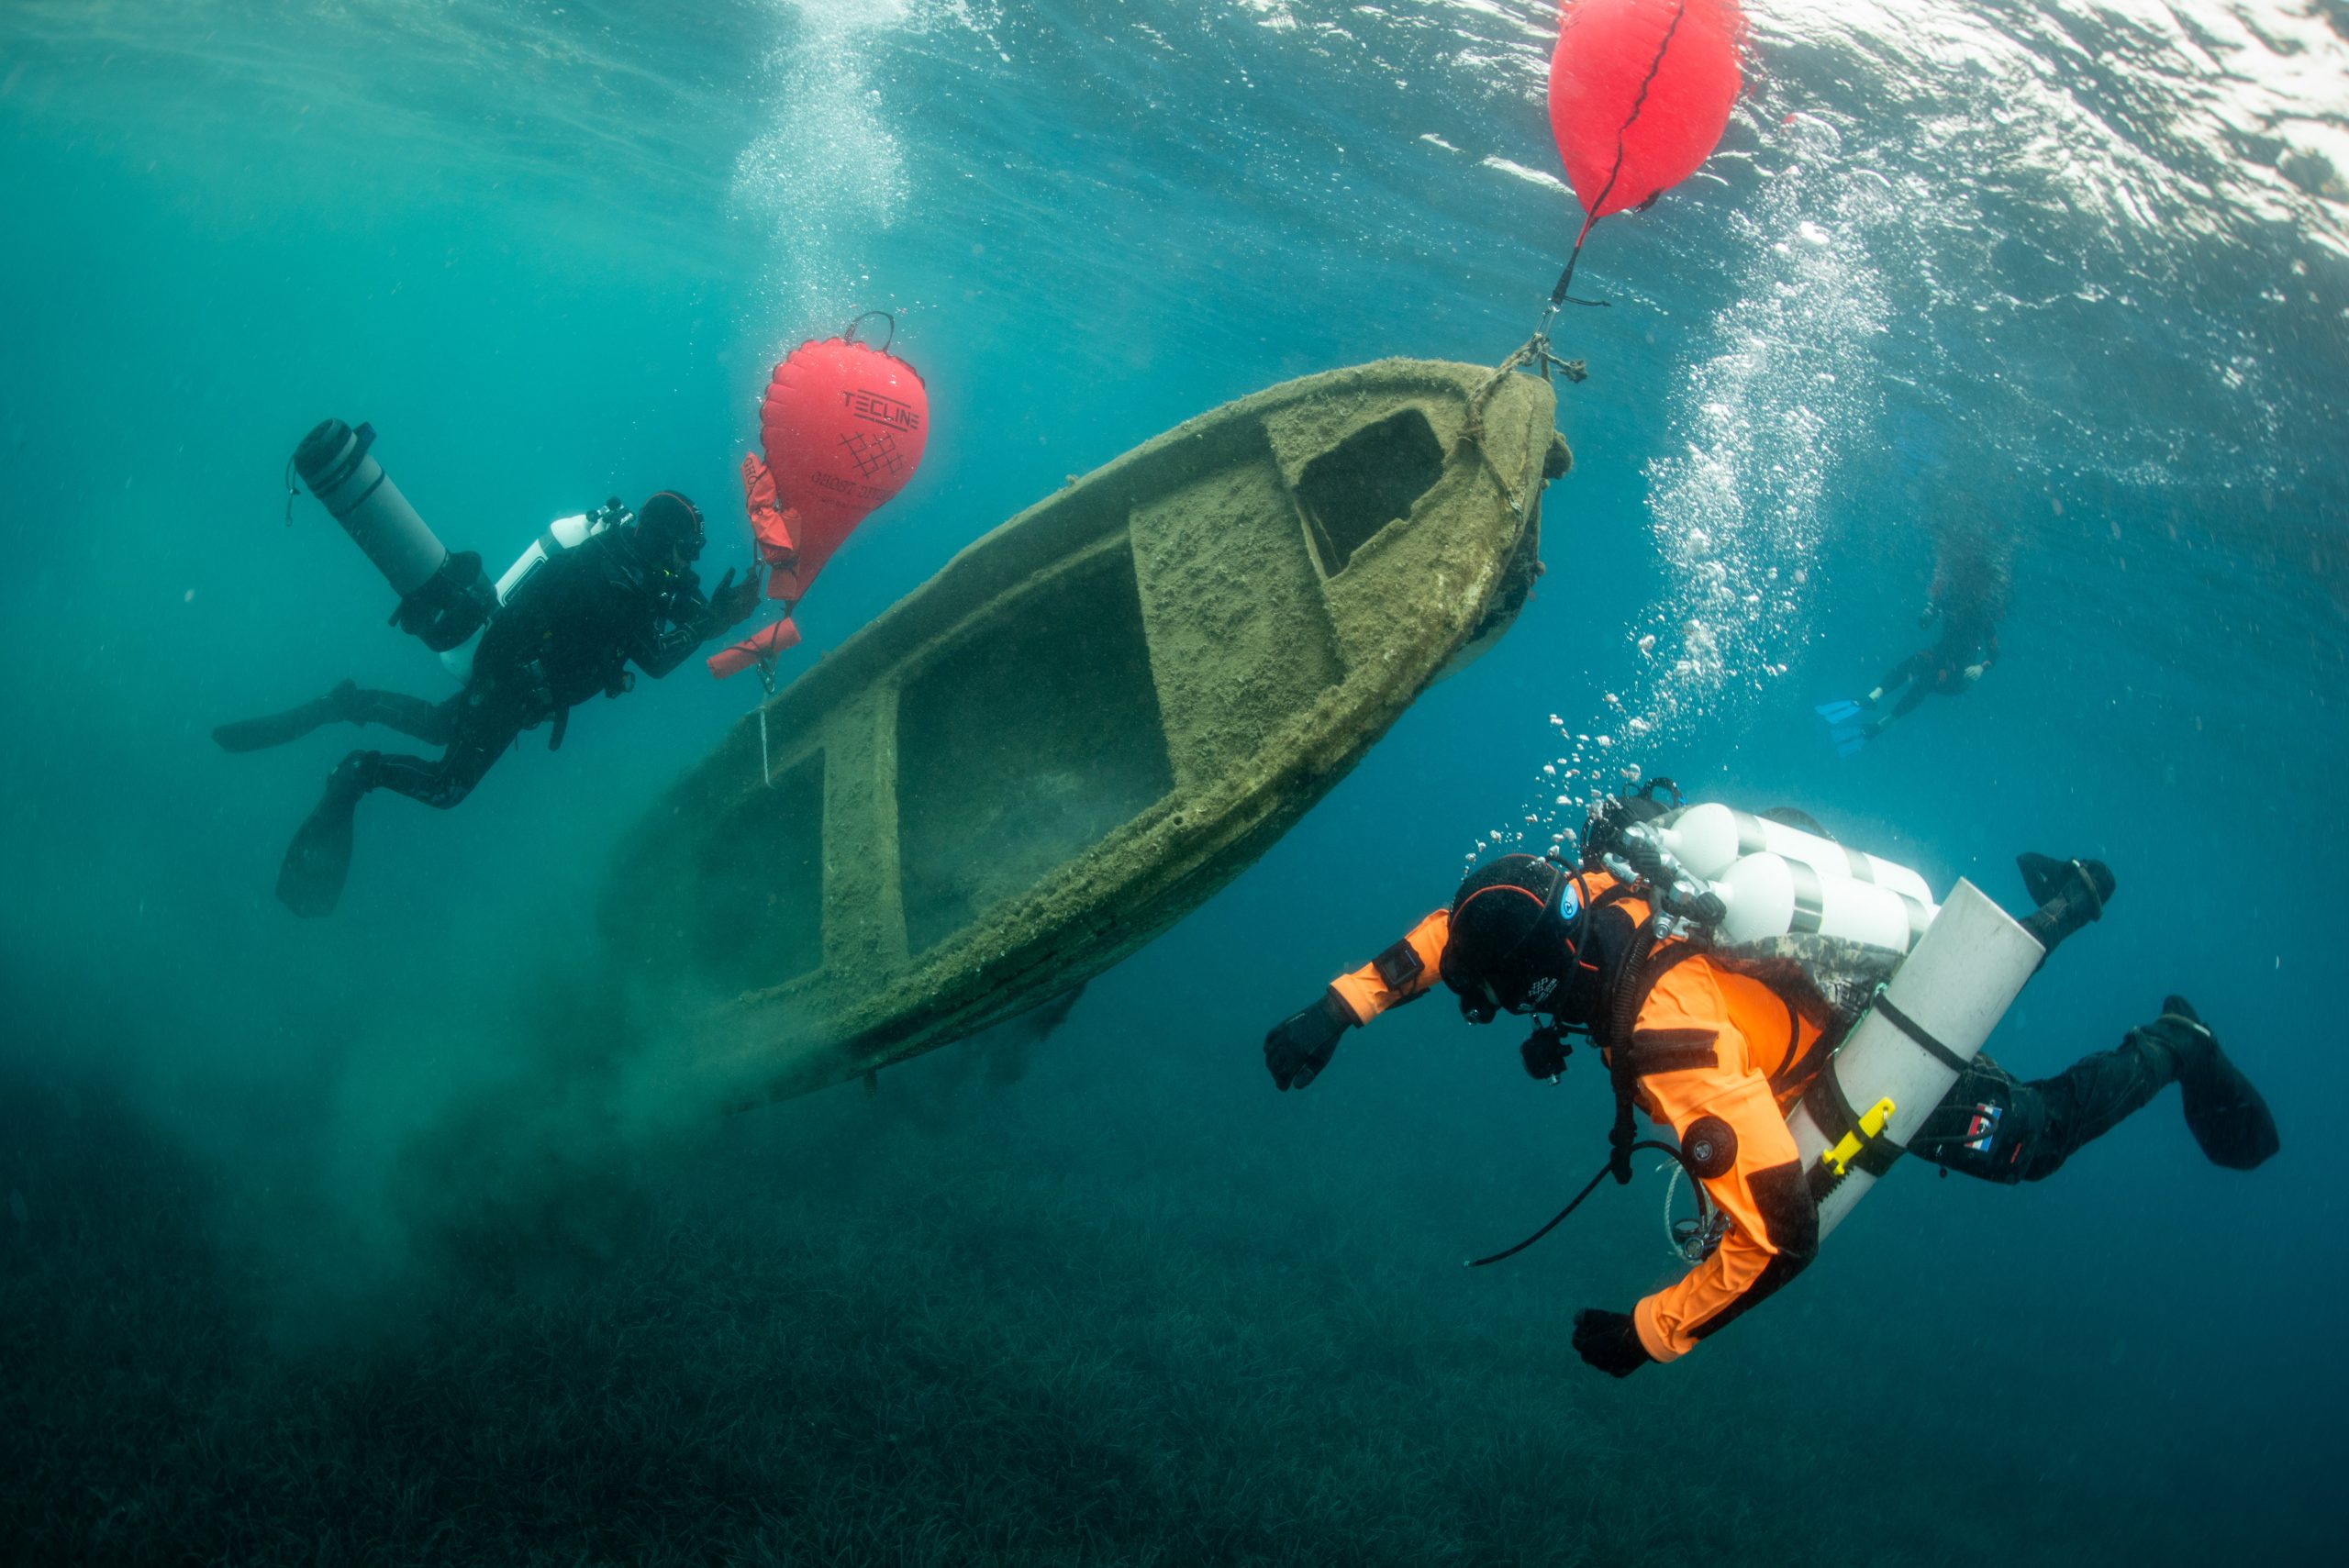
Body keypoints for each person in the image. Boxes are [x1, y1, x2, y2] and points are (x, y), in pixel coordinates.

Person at [1258, 794, 2279, 1379]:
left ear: (1542, 973)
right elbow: (1463, 920)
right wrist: (1340, 1007)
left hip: (1849, 1055)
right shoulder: (1599, 887)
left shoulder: (1668, 1041)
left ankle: (2174, 1039)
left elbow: (1780, 1235)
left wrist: (1648, 1329)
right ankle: (2070, 901)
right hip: (1794, 1001)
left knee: (2028, 1140)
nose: (1497, 1003)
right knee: (2011, 1107)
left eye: (1503, 994)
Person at [215, 492, 763, 916]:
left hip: (513, 675)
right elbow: (659, 657)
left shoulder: (635, 564)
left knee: (435, 724)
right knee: (445, 786)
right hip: (513, 684)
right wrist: (713, 621)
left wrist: (715, 614)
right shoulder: (616, 581)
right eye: (682, 551)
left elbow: (681, 603)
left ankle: (348, 703)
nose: (684, 564)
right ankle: (362, 770)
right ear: (659, 541)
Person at [1818, 523, 2010, 753]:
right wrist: (1930, 610)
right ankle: (1872, 697)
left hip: (1959, 675)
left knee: (1928, 681)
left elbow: (1994, 654)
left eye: (1974, 585)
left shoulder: (1983, 617)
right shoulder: (1951, 601)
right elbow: (1923, 624)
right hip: (1941, 655)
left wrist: (1981, 668)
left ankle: (1880, 725)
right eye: (1967, 583)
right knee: (1916, 661)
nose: (1968, 587)